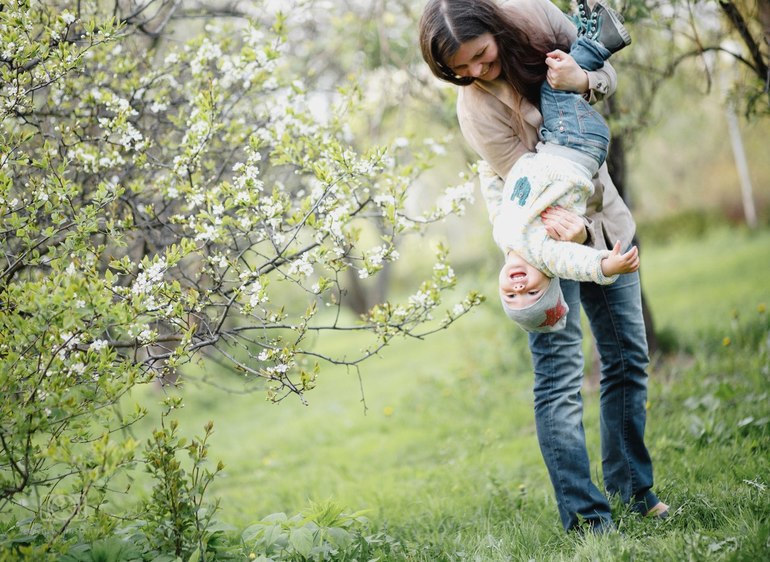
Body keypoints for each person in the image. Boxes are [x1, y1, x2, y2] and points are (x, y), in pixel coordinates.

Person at [419, 0, 668, 532]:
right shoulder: (476, 110)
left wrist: (581, 78)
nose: (476, 74)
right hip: (545, 248)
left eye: (481, 58)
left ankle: (633, 492)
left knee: (627, 359)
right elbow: (529, 193)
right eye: (460, 71)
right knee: (559, 378)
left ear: (495, 29)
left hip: (608, 221)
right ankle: (585, 518)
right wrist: (572, 236)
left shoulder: (535, 18)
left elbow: (607, 75)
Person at [479, 2, 637, 333]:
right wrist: (608, 265)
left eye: (511, 295)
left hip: (558, 145)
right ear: (549, 282)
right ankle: (599, 39)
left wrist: (485, 167)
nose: (520, 288)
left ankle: (585, 29)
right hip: (575, 149)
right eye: (532, 293)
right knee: (553, 89)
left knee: (557, 84)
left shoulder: (503, 235)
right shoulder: (544, 253)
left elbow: (496, 201)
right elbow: (578, 262)